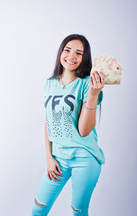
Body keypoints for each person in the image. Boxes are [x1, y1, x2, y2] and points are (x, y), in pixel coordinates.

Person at [31, 34, 105, 216]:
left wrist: (94, 95)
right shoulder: (49, 85)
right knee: (38, 210)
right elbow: (49, 121)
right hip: (58, 159)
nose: (71, 56)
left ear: (84, 58)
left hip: (84, 158)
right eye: (67, 50)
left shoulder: (87, 84)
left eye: (79, 53)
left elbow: (84, 130)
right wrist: (49, 157)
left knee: (78, 212)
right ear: (60, 53)